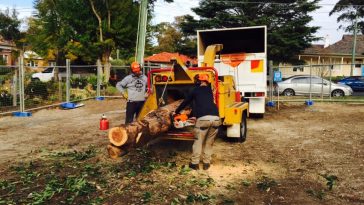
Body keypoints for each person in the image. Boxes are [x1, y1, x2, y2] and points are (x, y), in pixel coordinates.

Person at [174, 74, 221, 170]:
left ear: (198, 81)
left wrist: (177, 111)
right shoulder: (209, 91)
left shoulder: (195, 90)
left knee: (198, 141)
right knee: (209, 142)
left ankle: (194, 163)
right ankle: (206, 163)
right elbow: (202, 103)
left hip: (204, 119)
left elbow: (186, 102)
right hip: (216, 118)